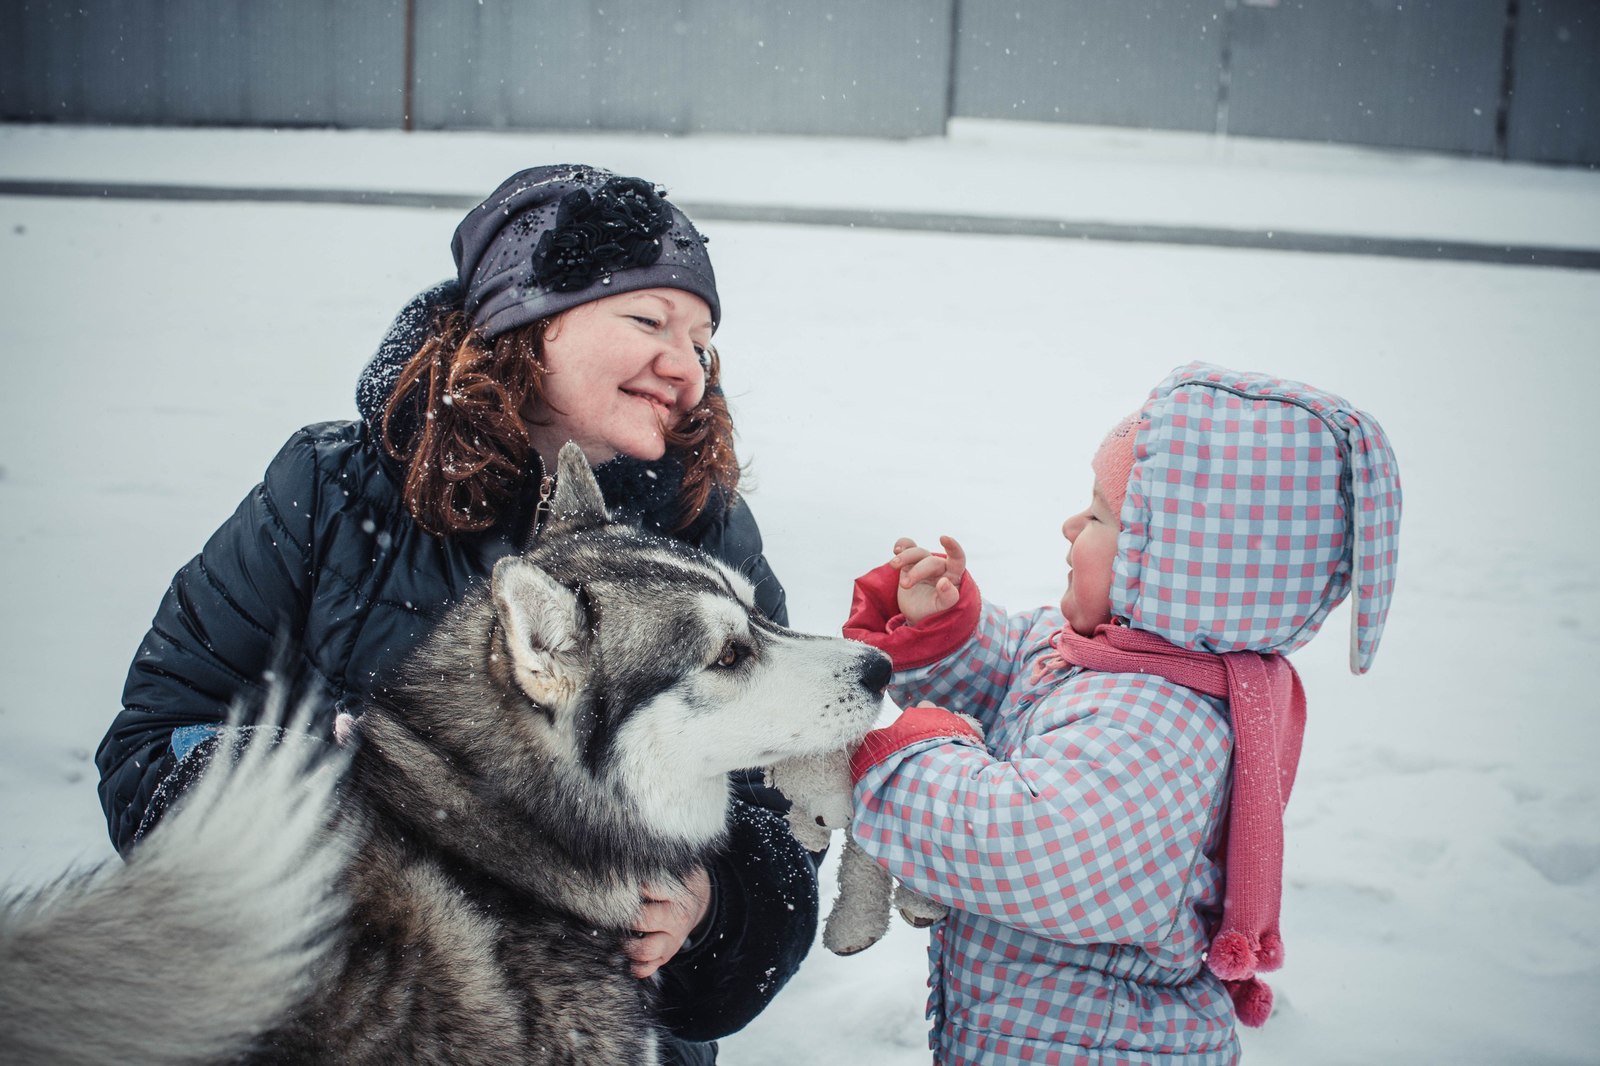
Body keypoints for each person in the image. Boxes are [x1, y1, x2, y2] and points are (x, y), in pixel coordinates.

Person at [96, 164, 810, 1066]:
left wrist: (716, 906)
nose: (687, 368)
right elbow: (158, 734)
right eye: (649, 321)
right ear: (527, 322)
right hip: (339, 1018)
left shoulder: (701, 530)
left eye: (702, 341)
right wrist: (302, 799)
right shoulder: (326, 491)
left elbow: (777, 804)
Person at [839, 363, 1402, 1064]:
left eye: (1102, 516)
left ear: (1174, 564)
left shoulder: (1161, 725)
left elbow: (1032, 853)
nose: (1072, 524)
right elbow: (1021, 674)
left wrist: (899, 758)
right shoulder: (1110, 657)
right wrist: (947, 630)